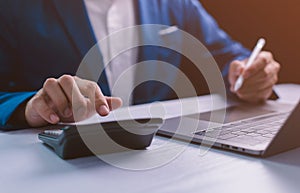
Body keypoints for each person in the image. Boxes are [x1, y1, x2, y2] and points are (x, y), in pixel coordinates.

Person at [0, 0, 280, 129]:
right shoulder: (13, 8)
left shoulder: (176, 3)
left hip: (161, 164)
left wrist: (250, 73)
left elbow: (228, 56)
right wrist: (28, 108)